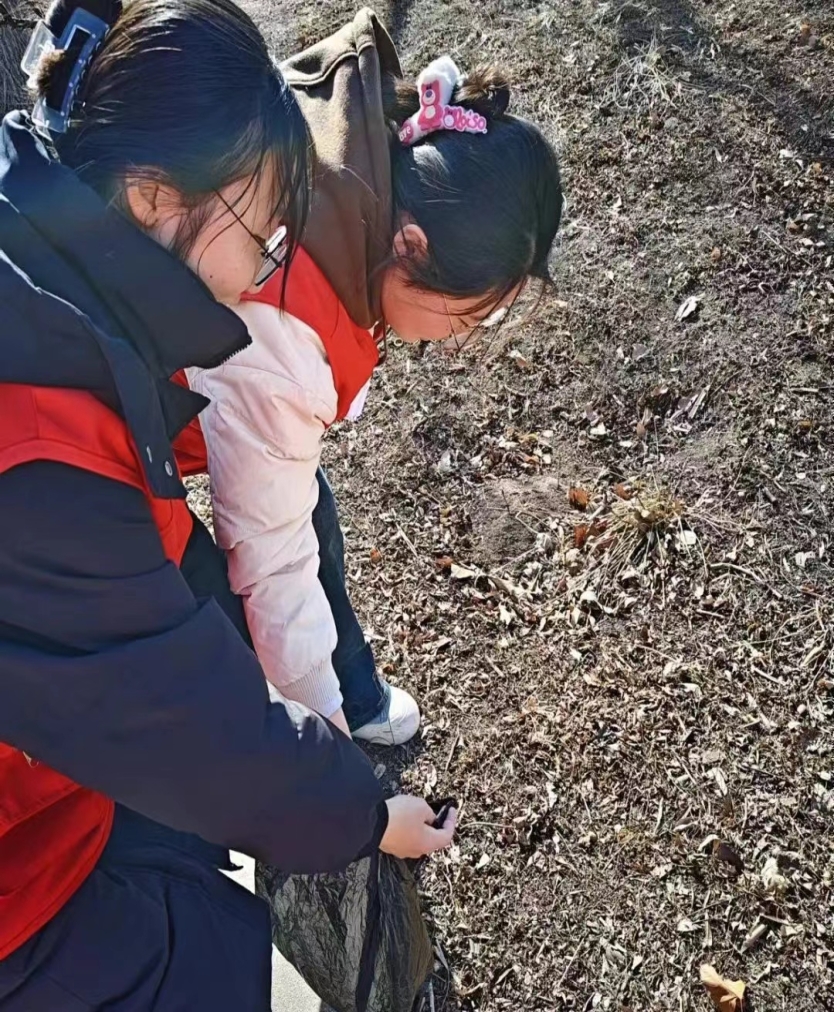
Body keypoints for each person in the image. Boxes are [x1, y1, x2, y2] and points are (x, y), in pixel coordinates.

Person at [0, 0, 455, 1008]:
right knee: (217, 960)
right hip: (19, 889)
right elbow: (182, 719)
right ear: (154, 197)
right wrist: (360, 815)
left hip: (45, 774)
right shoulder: (43, 448)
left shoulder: (51, 298)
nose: (265, 270)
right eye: (261, 233)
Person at [180, 9, 563, 745]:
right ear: (411, 246)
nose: (462, 339)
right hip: (88, 434)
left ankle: (350, 689)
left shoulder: (356, 162)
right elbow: (273, 567)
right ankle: (296, 733)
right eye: (469, 316)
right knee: (210, 599)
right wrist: (322, 752)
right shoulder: (283, 338)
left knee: (307, 514)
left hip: (178, 384)